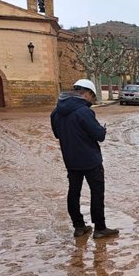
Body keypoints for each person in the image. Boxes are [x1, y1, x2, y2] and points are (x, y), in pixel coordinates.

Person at [50, 79, 119, 239]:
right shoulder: (84, 111)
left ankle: (79, 226)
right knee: (97, 193)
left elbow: (57, 134)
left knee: (73, 192)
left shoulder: (56, 112)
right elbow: (99, 136)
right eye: (92, 97)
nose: (92, 101)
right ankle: (100, 228)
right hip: (91, 160)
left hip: (71, 160)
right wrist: (102, 129)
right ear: (86, 94)